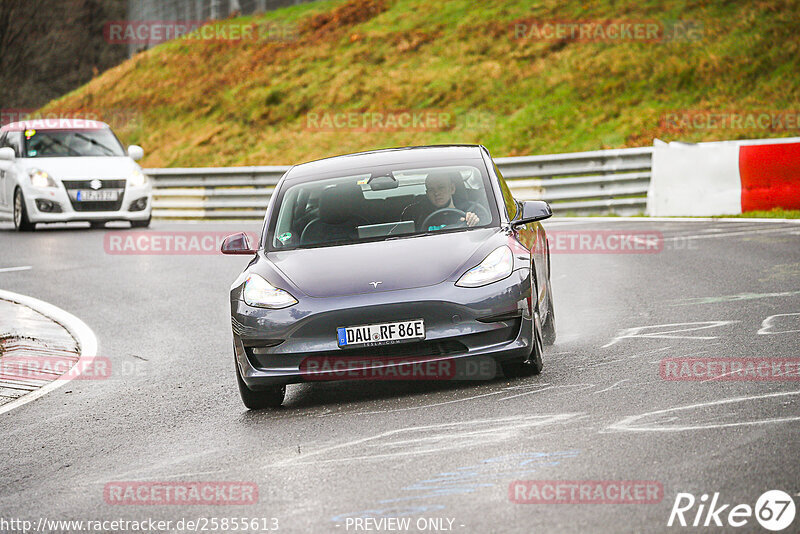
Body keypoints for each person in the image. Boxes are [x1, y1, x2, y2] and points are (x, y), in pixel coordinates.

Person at [402, 170, 484, 231]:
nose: (436, 193)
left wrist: (474, 221)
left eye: (441, 187)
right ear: (427, 194)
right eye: (431, 190)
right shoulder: (419, 217)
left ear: (452, 189)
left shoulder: (473, 210)